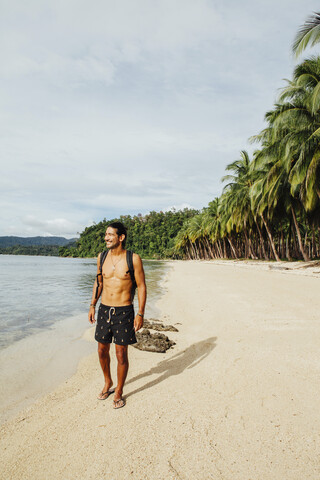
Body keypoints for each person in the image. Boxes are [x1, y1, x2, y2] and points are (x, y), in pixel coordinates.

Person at [88, 222, 146, 409]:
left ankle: (119, 390)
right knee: (102, 350)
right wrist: (92, 305)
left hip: (124, 311)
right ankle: (108, 382)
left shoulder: (133, 258)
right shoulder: (102, 257)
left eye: (110, 235)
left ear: (121, 237)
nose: (106, 238)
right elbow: (98, 282)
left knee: (121, 354)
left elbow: (142, 286)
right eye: (106, 234)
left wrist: (140, 313)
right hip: (104, 309)